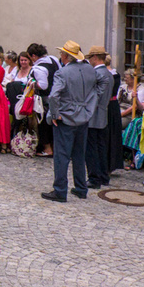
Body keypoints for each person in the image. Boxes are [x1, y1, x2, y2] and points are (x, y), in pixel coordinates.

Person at [41, 41, 99, 202]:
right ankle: (81, 188)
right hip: (83, 117)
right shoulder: (90, 70)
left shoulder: (63, 73)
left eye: (62, 54)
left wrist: (54, 114)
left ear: (66, 56)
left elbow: (53, 96)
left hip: (66, 118)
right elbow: (97, 89)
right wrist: (89, 109)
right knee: (79, 155)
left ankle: (60, 190)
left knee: (62, 156)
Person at [84, 47, 114, 189]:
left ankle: (95, 177)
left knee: (91, 148)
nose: (89, 60)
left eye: (90, 58)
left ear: (95, 57)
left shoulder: (97, 74)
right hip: (102, 114)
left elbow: (92, 96)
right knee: (101, 147)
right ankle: (103, 175)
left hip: (93, 115)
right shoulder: (108, 74)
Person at [29, 43, 60, 156]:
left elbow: (43, 85)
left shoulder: (39, 68)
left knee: (43, 123)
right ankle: (53, 146)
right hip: (57, 95)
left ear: (33, 56)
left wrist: (32, 84)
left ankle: (47, 148)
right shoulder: (53, 59)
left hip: (44, 99)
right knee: (53, 122)